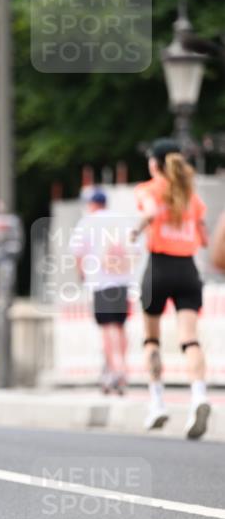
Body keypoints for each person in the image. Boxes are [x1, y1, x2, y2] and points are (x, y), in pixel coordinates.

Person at [132, 138, 209, 438]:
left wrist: (134, 230)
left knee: (151, 339)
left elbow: (150, 212)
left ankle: (157, 402)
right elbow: (203, 238)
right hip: (188, 269)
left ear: (154, 164)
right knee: (190, 339)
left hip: (160, 268)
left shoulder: (149, 189)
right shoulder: (191, 194)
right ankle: (199, 396)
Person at [69, 188, 140, 394]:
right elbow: (134, 249)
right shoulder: (121, 221)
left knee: (107, 327)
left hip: (101, 282)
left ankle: (117, 371)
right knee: (120, 325)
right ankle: (118, 366)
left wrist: (82, 275)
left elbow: (77, 253)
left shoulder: (87, 223)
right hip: (123, 282)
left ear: (91, 204)